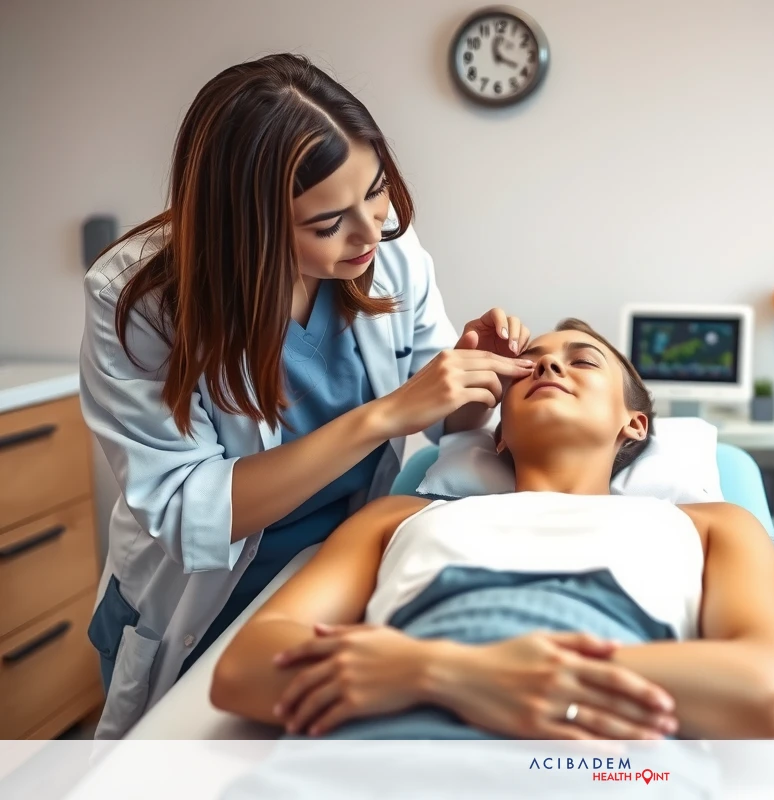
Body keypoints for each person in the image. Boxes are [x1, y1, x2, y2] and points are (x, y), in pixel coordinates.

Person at [80, 53, 535, 740]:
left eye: (376, 191)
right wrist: (385, 415)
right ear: (248, 225)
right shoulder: (140, 301)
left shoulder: (386, 249)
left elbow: (453, 426)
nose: (371, 231)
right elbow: (189, 510)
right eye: (326, 223)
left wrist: (473, 376)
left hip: (328, 578)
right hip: (196, 599)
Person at [210, 320, 774, 740]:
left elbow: (762, 691)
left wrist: (457, 674)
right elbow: (244, 672)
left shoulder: (709, 525)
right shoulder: (399, 515)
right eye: (531, 363)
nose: (547, 364)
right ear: (498, 435)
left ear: (635, 425)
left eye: (582, 361)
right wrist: (453, 674)